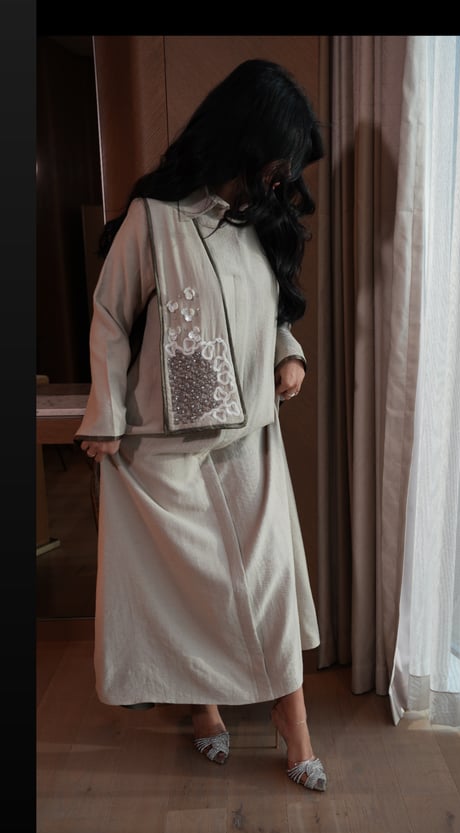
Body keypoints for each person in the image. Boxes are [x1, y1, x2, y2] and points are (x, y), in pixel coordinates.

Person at [75, 58, 327, 792]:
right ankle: (203, 705)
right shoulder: (154, 220)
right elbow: (110, 317)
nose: (284, 175)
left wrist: (289, 354)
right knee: (190, 590)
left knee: (269, 587)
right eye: (280, 156)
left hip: (252, 445)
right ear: (246, 136)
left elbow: (270, 310)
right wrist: (105, 414)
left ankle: (295, 725)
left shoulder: (259, 222)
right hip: (166, 449)